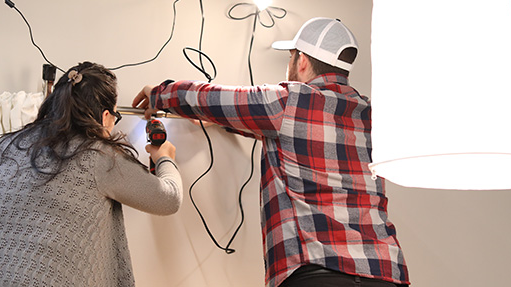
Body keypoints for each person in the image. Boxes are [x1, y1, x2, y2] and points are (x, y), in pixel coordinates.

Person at [133, 18, 410, 287]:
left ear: (301, 60)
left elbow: (211, 98)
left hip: (316, 272)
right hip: (386, 271)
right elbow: (292, 135)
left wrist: (159, 94)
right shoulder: (372, 117)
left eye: (290, 58)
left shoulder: (287, 101)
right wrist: (220, 121)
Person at [0, 62, 182, 287]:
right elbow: (168, 199)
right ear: (104, 116)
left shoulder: (7, 145)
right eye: (114, 117)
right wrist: (164, 157)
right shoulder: (98, 156)